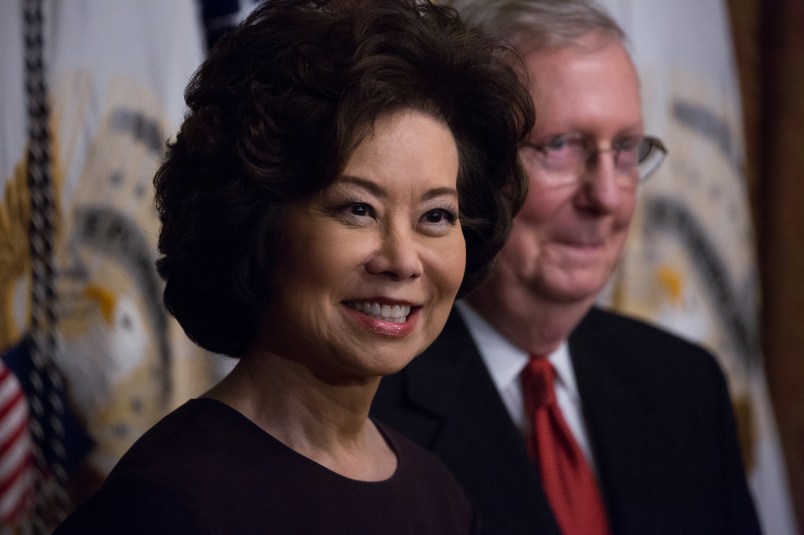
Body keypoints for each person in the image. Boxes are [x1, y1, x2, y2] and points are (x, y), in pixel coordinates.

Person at [54, 0, 534, 532]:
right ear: (259, 225)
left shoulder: (439, 496)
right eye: (358, 209)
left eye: (437, 216)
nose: (402, 260)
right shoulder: (162, 505)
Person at [372, 1, 762, 534]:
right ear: (468, 167)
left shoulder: (686, 386)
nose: (607, 196)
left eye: (625, 149)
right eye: (561, 146)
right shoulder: (366, 407)